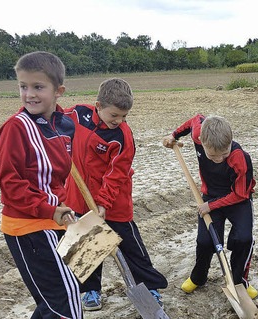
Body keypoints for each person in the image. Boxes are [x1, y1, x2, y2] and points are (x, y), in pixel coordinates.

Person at [64, 78, 168, 311]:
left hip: (114, 201)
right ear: (98, 106)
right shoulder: (77, 114)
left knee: (130, 245)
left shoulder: (122, 136)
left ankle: (149, 286)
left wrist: (103, 203)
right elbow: (54, 117)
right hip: (79, 195)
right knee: (85, 244)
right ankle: (89, 290)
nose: (119, 121)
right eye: (114, 116)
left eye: (124, 116)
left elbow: (117, 174)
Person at [0, 51, 82, 318]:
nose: (29, 94)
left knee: (60, 296)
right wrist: (49, 209)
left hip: (55, 221)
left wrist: (63, 209)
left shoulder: (65, 125)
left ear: (59, 91)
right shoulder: (16, 128)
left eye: (38, 87)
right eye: (23, 86)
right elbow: (11, 185)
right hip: (28, 226)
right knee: (65, 301)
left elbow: (55, 178)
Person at [162, 114, 258, 299]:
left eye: (224, 153)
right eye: (213, 155)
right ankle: (198, 277)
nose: (220, 158)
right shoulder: (199, 132)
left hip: (238, 199)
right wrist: (174, 136)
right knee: (205, 242)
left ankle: (239, 282)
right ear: (201, 142)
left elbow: (240, 194)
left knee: (243, 239)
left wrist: (211, 206)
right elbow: (193, 120)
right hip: (210, 196)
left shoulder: (240, 159)